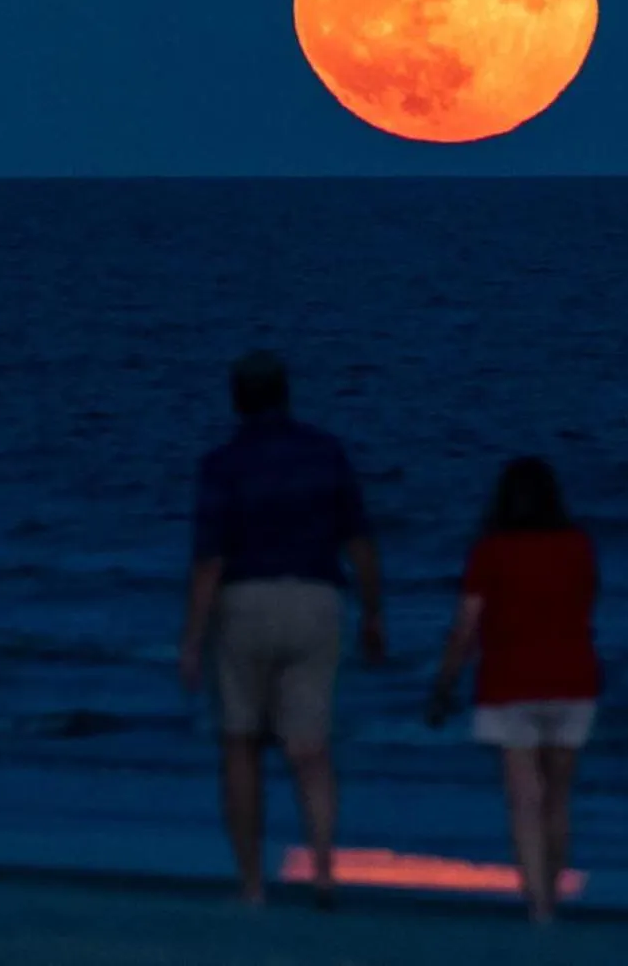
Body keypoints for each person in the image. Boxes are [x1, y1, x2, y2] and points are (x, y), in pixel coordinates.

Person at [180, 350, 387, 908]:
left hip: (245, 601)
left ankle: (252, 885)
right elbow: (359, 540)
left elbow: (209, 561)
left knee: (241, 744)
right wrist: (372, 612)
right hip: (316, 598)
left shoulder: (222, 464)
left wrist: (192, 640)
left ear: (236, 400)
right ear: (286, 394)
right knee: (310, 749)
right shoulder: (326, 453)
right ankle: (321, 869)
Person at [426, 456, 602, 924]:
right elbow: (585, 605)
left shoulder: (491, 550)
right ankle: (554, 892)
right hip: (573, 678)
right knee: (558, 798)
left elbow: (465, 627)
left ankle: (537, 904)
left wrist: (444, 684)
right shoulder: (578, 546)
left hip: (510, 681)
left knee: (524, 799)